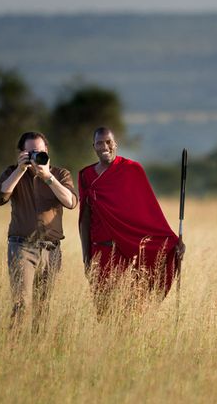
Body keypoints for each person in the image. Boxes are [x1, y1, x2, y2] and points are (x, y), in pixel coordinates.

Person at [78, 127, 184, 316]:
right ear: (93, 146)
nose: (105, 146)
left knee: (131, 312)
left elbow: (150, 213)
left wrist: (173, 243)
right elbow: (84, 220)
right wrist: (87, 259)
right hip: (101, 253)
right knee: (105, 313)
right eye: (100, 143)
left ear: (115, 144)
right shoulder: (86, 176)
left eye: (109, 142)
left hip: (130, 254)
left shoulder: (132, 169)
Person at [0, 132, 78, 331]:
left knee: (43, 307)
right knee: (21, 304)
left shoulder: (60, 174)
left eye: (39, 151)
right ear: (21, 153)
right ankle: (14, 349)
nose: (35, 156)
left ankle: (37, 351)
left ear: (47, 151)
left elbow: (71, 202)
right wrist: (20, 170)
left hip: (51, 249)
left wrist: (47, 177)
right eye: (30, 152)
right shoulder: (12, 172)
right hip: (22, 247)